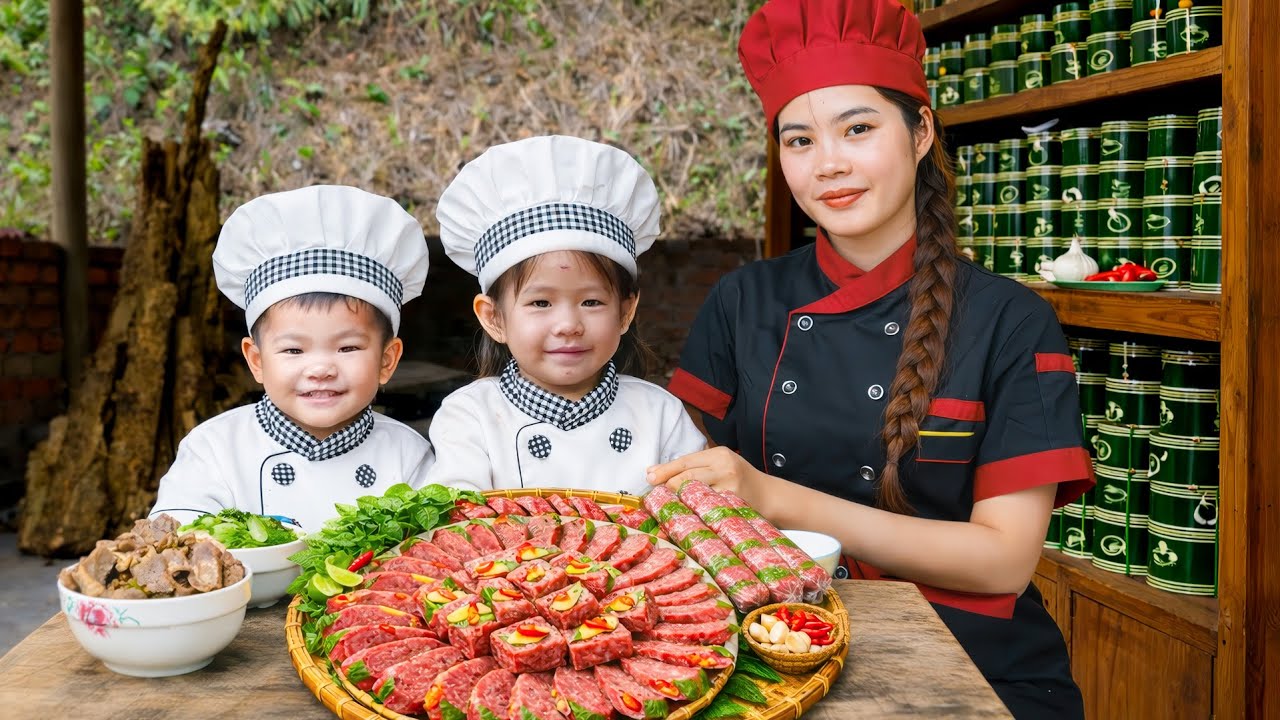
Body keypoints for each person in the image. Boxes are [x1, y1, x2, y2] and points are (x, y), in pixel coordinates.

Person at [646, 1, 1093, 717]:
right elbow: (686, 494)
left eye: (858, 129)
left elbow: (1004, 562)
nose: (828, 164)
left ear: (920, 133)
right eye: (799, 140)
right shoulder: (743, 300)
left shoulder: (1010, 320)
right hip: (774, 647)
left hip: (972, 658)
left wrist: (776, 498)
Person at [425, 135, 706, 494]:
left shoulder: (661, 414)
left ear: (625, 311)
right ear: (494, 318)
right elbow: (459, 513)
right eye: (541, 303)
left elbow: (698, 505)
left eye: (591, 302)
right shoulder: (469, 416)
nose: (569, 326)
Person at [150, 185, 434, 530]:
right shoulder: (214, 449)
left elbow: (435, 545)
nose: (321, 369)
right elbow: (175, 538)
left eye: (347, 348)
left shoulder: (409, 455)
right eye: (294, 350)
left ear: (387, 360)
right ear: (257, 361)